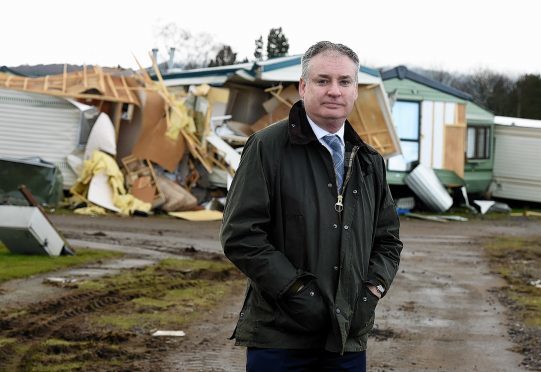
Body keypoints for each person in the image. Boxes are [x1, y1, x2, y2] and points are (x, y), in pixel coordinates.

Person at [220, 41, 403, 371]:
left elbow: (387, 241)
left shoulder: (369, 161)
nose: (335, 91)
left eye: (344, 81)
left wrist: (370, 293)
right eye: (323, 80)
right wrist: (296, 291)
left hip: (347, 339)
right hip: (281, 339)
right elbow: (241, 235)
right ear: (303, 87)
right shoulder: (267, 148)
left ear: (355, 90)